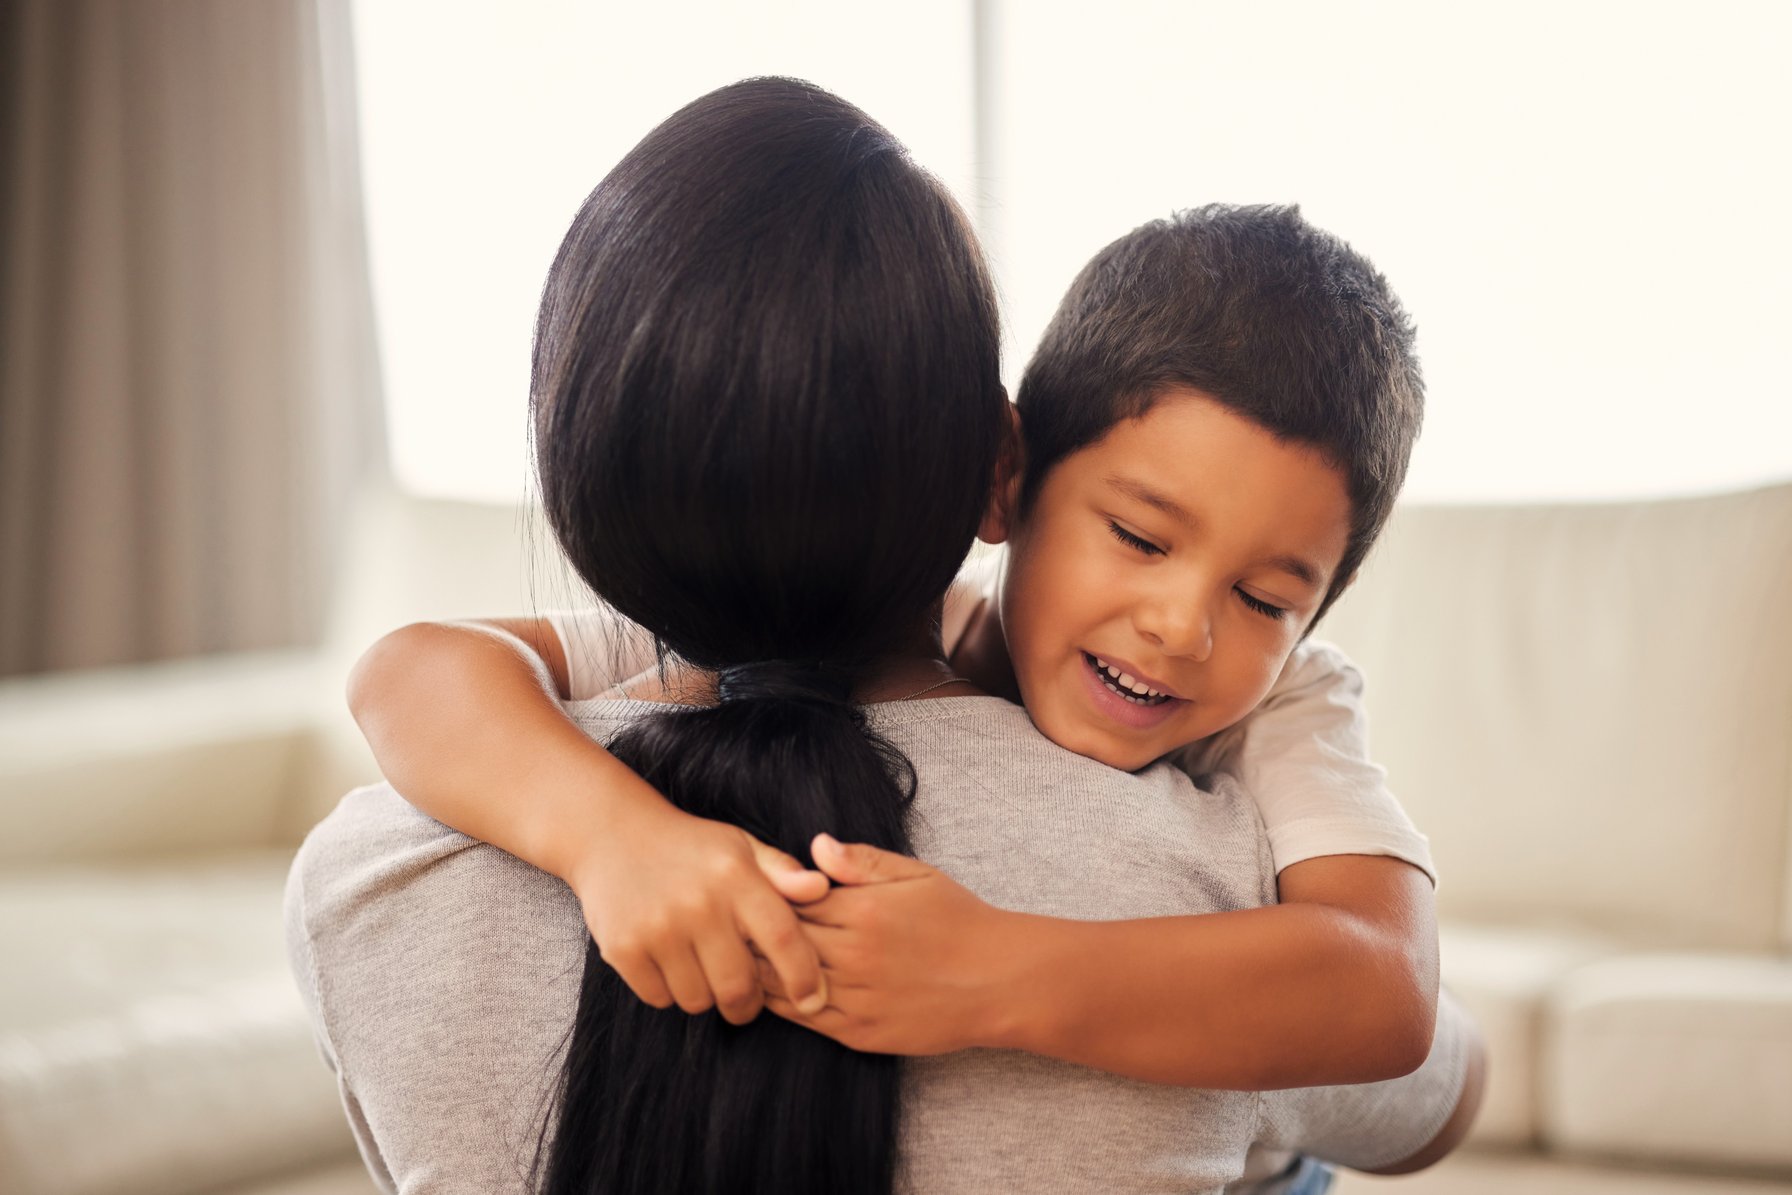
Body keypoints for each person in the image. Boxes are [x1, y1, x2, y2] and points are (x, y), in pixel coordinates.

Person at [288, 78, 1479, 1194]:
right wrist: (610, 841)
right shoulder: (1214, 887)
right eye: (1135, 534)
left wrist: (997, 968)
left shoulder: (369, 882)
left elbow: (1387, 992)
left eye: (1267, 600)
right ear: (1001, 474)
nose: (1178, 626)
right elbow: (407, 665)